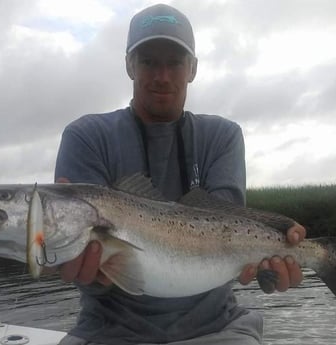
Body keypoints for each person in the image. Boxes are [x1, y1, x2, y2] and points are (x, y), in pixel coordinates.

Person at [54, 4, 306, 345]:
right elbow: (82, 263)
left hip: (220, 330)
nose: (162, 76)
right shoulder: (86, 136)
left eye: (174, 62)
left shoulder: (222, 135)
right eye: (148, 61)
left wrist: (271, 262)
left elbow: (229, 226)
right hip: (106, 332)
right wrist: (84, 268)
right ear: (129, 64)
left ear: (193, 68)